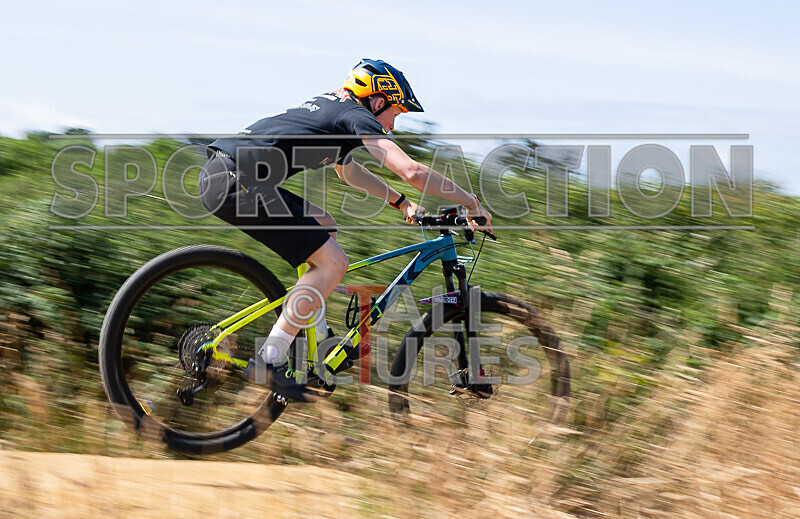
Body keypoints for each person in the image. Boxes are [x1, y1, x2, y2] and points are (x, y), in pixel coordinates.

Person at [199, 58, 492, 401]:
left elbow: (347, 171)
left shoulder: (337, 109)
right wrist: (472, 203)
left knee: (325, 225)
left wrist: (400, 202)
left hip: (230, 174)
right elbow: (412, 171)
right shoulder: (355, 116)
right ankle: (270, 359)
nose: (392, 127)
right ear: (378, 100)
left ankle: (317, 335)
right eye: (394, 115)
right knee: (333, 264)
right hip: (239, 182)